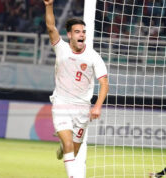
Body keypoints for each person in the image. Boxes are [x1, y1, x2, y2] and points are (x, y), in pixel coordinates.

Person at [43, 0, 109, 177]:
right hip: (61, 103)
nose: (82, 35)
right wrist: (49, 5)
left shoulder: (93, 57)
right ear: (70, 34)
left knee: (74, 150)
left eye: (84, 32)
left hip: (82, 108)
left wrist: (97, 106)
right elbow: (51, 27)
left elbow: (104, 83)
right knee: (69, 145)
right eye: (78, 32)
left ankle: (62, 149)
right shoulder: (61, 48)